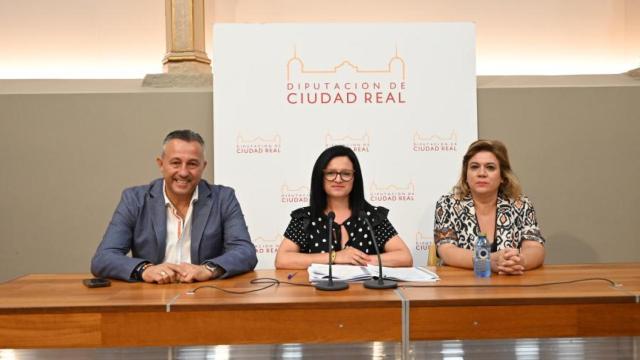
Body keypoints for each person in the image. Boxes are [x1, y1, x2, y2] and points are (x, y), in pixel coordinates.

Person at [91, 130, 257, 283]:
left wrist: (207, 270)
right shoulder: (135, 199)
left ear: (203, 167)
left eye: (192, 164)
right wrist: (145, 270)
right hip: (151, 297)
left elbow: (245, 252)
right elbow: (103, 258)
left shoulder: (223, 198)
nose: (183, 172)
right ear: (161, 164)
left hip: (204, 295)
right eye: (176, 163)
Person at [275, 145, 413, 269]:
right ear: (320, 177)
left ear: (354, 178)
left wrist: (359, 259)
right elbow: (282, 260)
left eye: (346, 174)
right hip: (316, 294)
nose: (338, 179)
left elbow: (405, 257)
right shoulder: (305, 218)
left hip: (364, 294)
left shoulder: (370, 216)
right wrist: (335, 257)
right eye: (331, 173)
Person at [433, 139, 545, 275]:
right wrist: (490, 260)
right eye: (474, 167)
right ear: (466, 175)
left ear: (502, 176)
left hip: (510, 285)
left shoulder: (520, 204)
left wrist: (520, 261)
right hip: (463, 287)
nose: (481, 173)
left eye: (490, 167)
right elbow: (447, 251)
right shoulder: (447, 205)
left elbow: (535, 248)